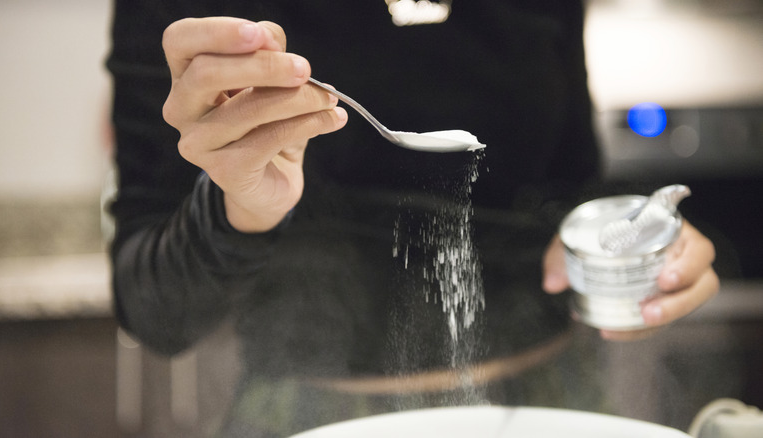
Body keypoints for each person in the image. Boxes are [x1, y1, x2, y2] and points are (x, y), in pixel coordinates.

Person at [106, 1, 719, 436]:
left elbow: (572, 185)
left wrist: (625, 245)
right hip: (304, 415)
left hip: (551, 398)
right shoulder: (203, 24)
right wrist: (240, 208)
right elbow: (152, 310)